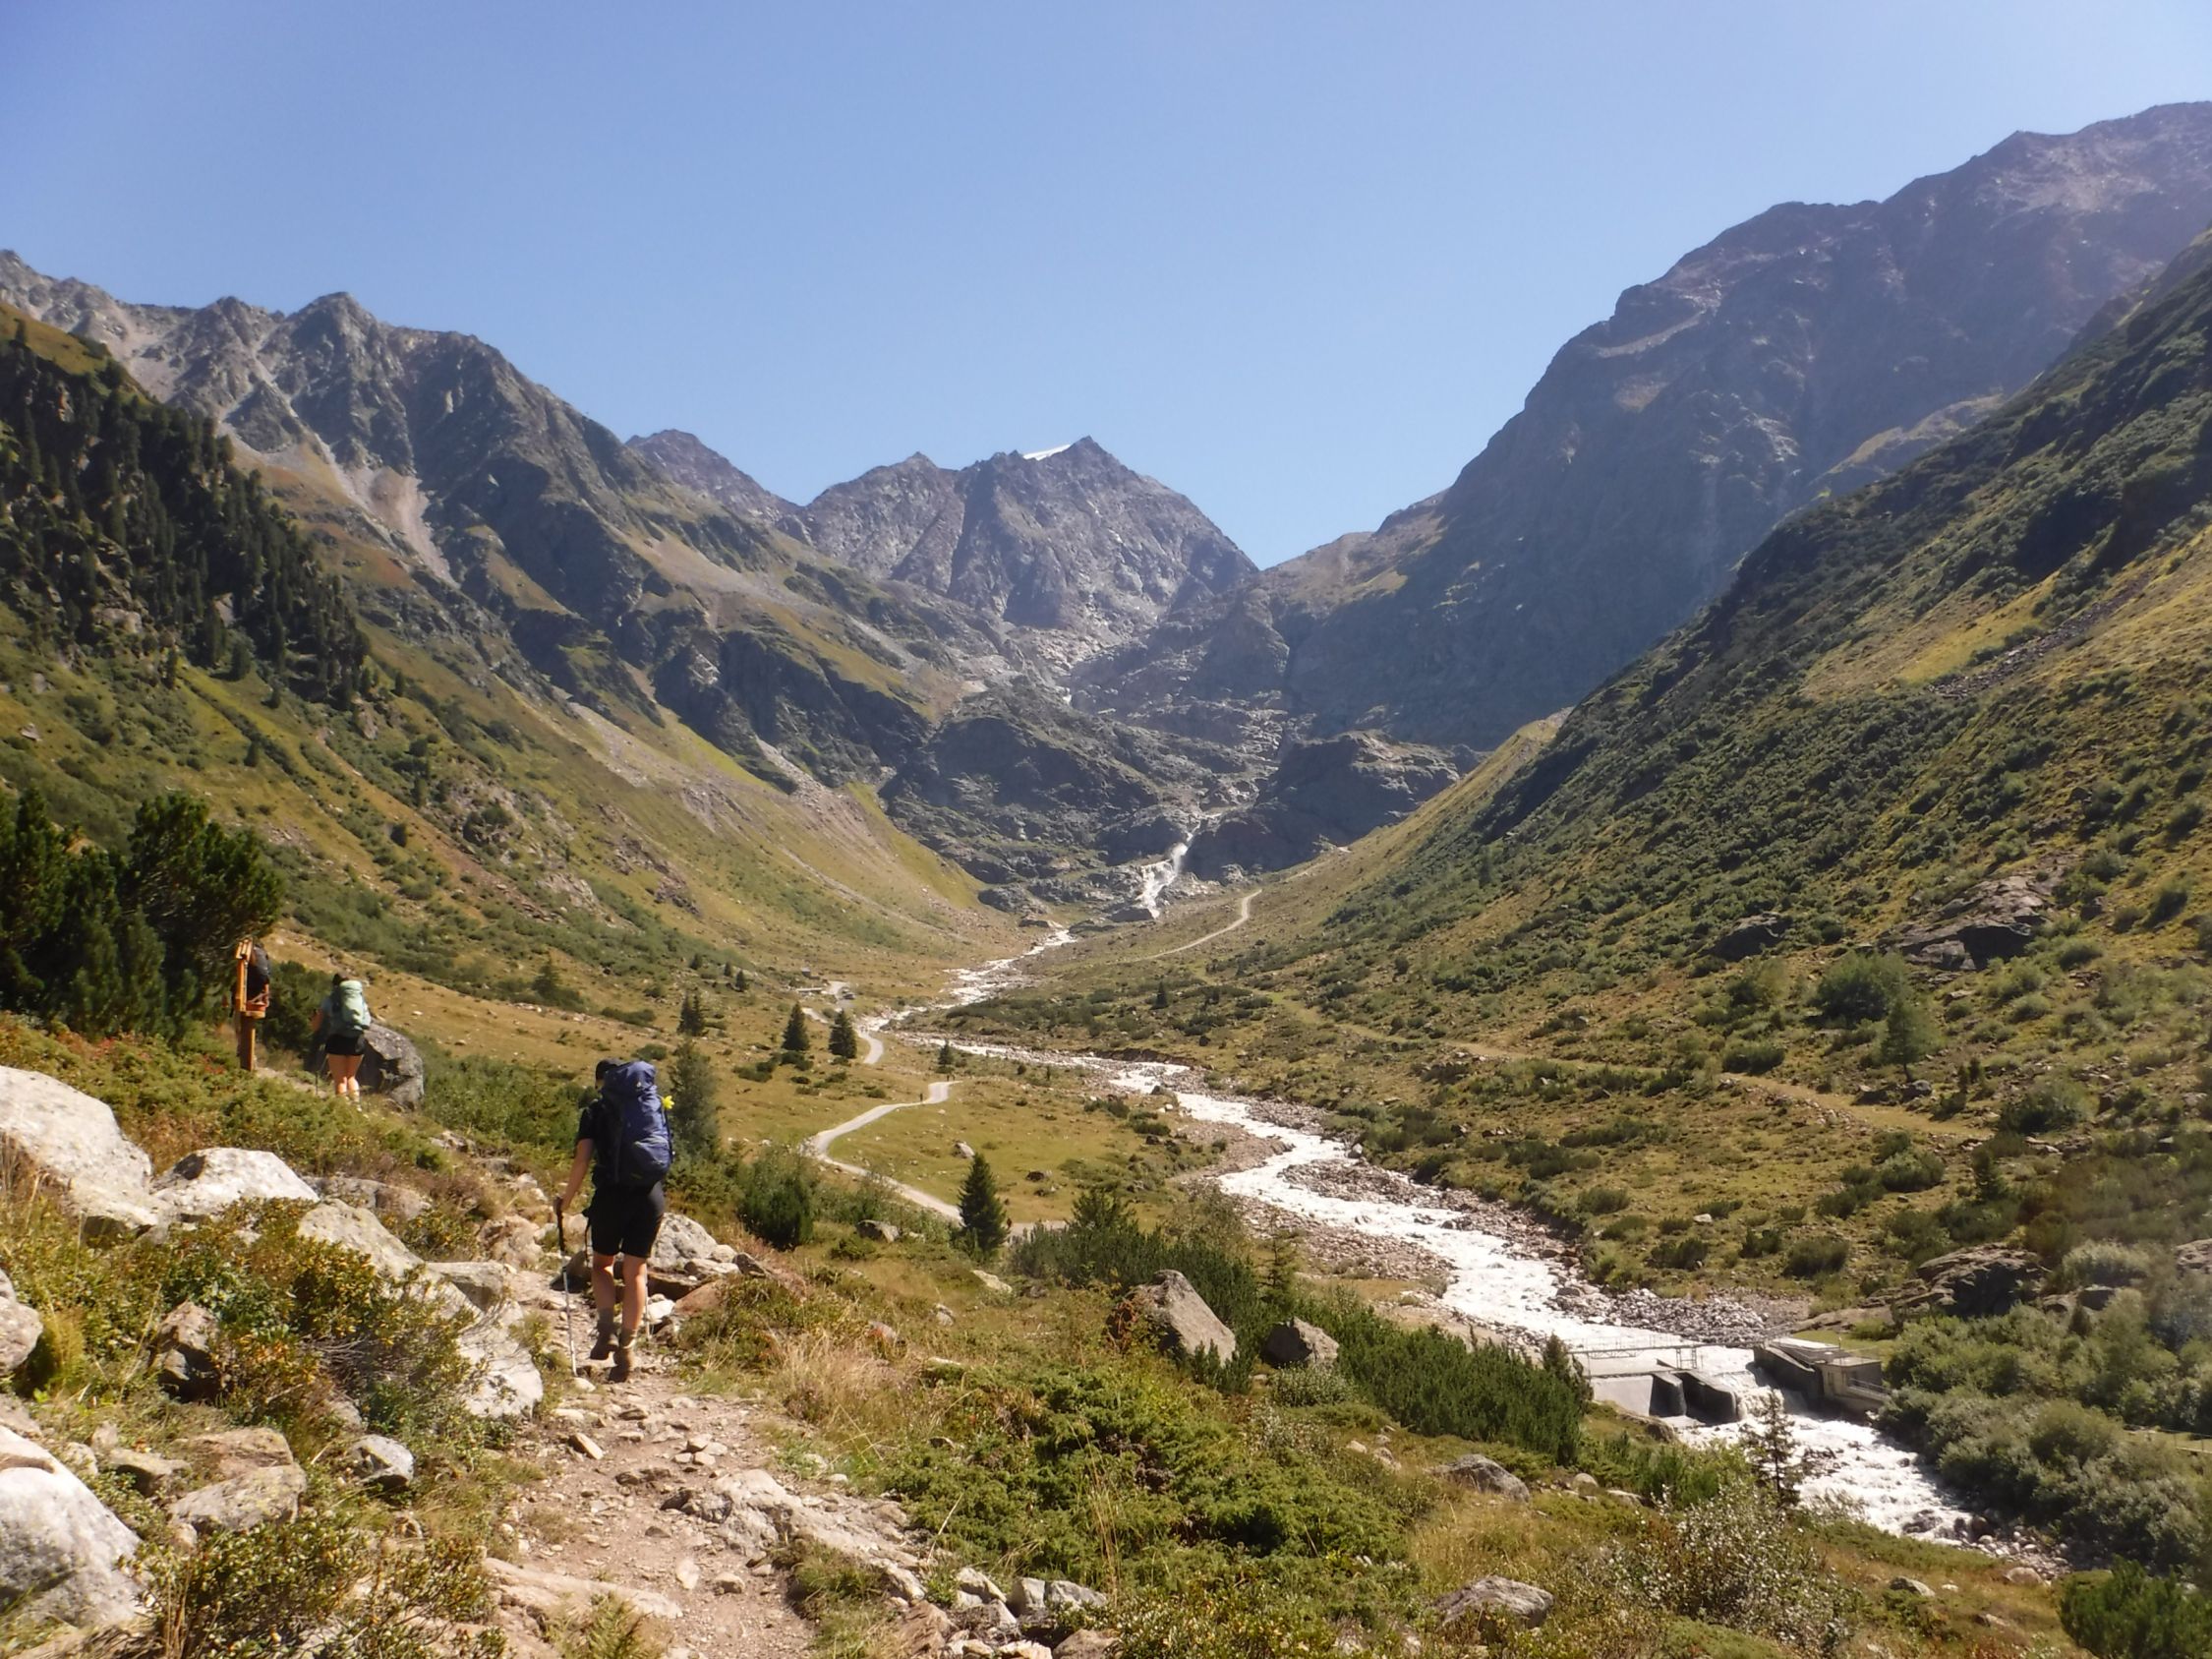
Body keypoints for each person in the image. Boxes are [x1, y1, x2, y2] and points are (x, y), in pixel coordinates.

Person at [557, 1058, 671, 1382]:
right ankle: (628, 1349)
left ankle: (606, 1330)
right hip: (650, 1197)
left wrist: (566, 1201)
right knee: (636, 1271)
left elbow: (582, 1161)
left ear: (601, 1083)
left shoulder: (595, 1111)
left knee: (602, 1264)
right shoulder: (652, 1106)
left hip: (611, 1196)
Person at [312, 972, 374, 1099]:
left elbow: (316, 1026)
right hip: (357, 1040)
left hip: (337, 1040)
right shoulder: (359, 999)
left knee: (340, 1079)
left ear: (334, 985)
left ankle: (342, 1107)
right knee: (351, 1077)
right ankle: (356, 1107)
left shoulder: (330, 999)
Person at [232, 937, 273, 1072]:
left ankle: (243, 1050)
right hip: (259, 993)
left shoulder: (247, 952)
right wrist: (266, 996)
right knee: (249, 1026)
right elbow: (266, 979)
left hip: (247, 993)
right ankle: (248, 1056)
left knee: (238, 1022)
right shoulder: (264, 956)